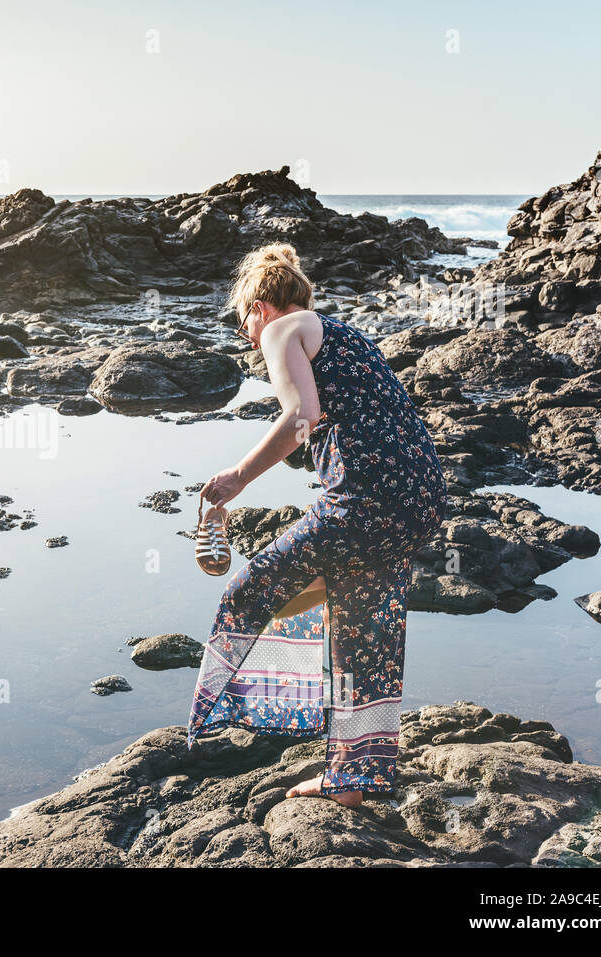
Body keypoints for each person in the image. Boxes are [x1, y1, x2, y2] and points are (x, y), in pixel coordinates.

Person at [189, 243, 447, 806]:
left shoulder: (284, 331)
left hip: (366, 498)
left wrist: (235, 478)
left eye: (244, 326)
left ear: (260, 306)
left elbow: (303, 416)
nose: (251, 341)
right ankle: (352, 779)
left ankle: (259, 711)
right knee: (361, 628)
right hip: (419, 493)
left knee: (250, 593)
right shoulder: (342, 333)